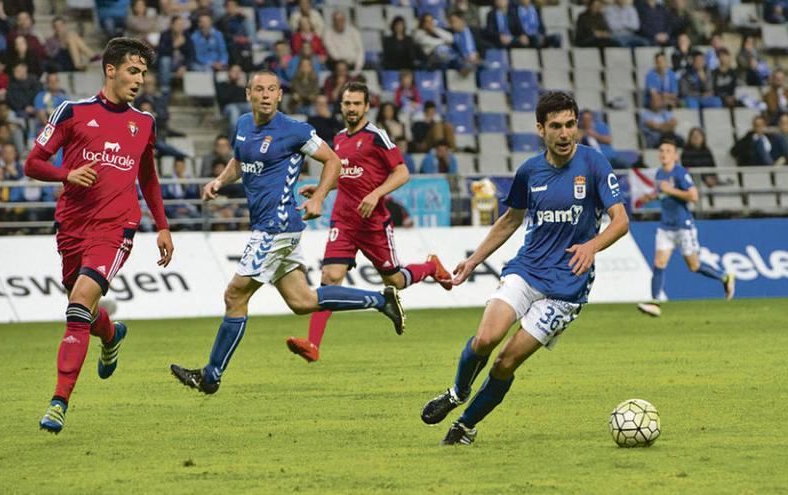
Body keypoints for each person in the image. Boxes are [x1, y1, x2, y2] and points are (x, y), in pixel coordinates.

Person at [169, 71, 405, 394]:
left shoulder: (293, 130)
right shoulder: (242, 126)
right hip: (270, 226)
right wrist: (219, 182)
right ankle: (380, 301)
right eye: (259, 89)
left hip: (276, 226)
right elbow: (239, 161)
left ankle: (211, 375)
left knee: (234, 295)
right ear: (248, 93)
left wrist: (321, 196)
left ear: (280, 95)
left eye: (272, 90)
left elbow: (333, 161)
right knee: (302, 300)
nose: (265, 95)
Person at [419, 91, 630, 445]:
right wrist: (473, 261)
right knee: (486, 338)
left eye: (570, 125)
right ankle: (457, 392)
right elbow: (510, 219)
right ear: (540, 129)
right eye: (556, 127)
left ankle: (465, 427)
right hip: (527, 270)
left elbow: (620, 220)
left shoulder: (594, 164)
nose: (565, 134)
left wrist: (593, 245)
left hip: (566, 289)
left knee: (505, 362)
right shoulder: (530, 171)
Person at [24, 38, 174, 434]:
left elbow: (148, 177)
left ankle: (58, 402)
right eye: (133, 71)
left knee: (76, 308)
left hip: (116, 227)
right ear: (110, 70)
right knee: (84, 309)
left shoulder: (143, 123)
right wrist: (66, 174)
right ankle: (111, 333)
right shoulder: (72, 112)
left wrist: (161, 225)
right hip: (72, 226)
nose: (140, 79)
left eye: (143, 73)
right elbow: (32, 163)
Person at [285, 81, 453, 362]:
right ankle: (313, 344)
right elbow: (347, 176)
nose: (351, 108)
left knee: (395, 280)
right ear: (341, 106)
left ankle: (431, 266)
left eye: (356, 104)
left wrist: (376, 194)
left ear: (366, 106)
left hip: (373, 224)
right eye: (347, 103)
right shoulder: (338, 139)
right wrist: (321, 189)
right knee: (329, 279)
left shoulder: (377, 136)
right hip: (344, 221)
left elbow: (402, 173)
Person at [637, 138, 735, 317]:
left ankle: (724, 277)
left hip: (683, 226)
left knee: (694, 266)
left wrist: (670, 191)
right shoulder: (659, 173)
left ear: (675, 155)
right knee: (659, 263)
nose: (663, 154)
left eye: (667, 151)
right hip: (666, 226)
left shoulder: (681, 173)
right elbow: (663, 195)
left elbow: (694, 196)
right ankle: (655, 302)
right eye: (661, 150)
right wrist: (651, 197)